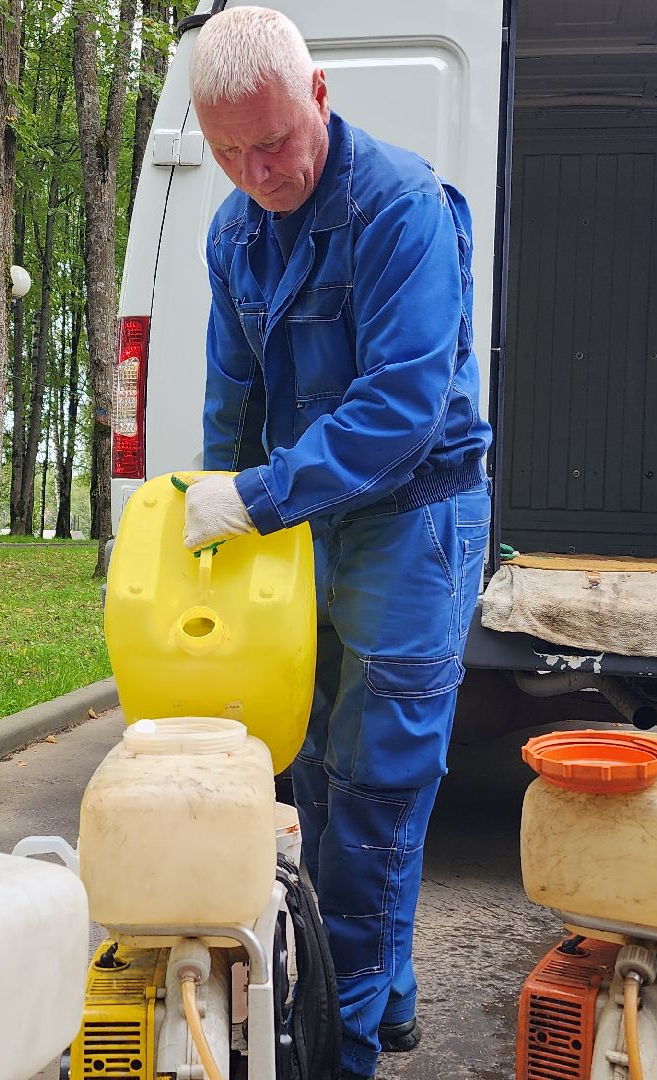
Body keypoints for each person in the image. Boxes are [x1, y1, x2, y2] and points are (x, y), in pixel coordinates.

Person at [177, 8, 492, 1078]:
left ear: (318, 96)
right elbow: (233, 400)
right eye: (227, 151)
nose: (256, 169)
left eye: (272, 141)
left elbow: (401, 409)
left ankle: (337, 1055)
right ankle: (384, 1000)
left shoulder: (401, 207)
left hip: (414, 519)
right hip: (305, 519)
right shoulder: (232, 232)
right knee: (310, 768)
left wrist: (258, 497)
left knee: (374, 792)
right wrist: (211, 514)